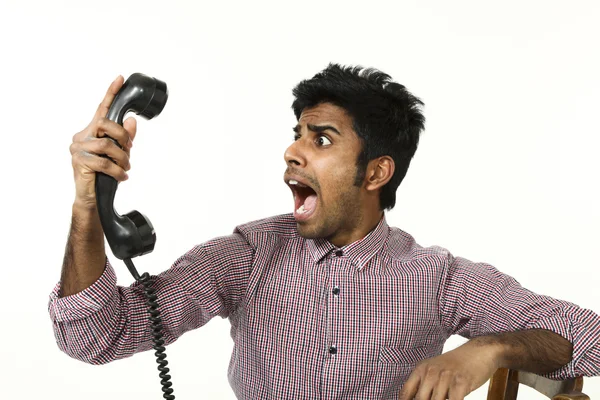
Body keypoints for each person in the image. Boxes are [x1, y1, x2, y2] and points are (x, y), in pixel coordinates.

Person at [49, 64, 600, 400]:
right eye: (297, 134)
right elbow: (93, 338)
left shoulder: (438, 278)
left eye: (323, 139)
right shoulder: (245, 256)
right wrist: (87, 207)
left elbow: (589, 338)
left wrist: (490, 349)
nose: (293, 151)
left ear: (376, 172)